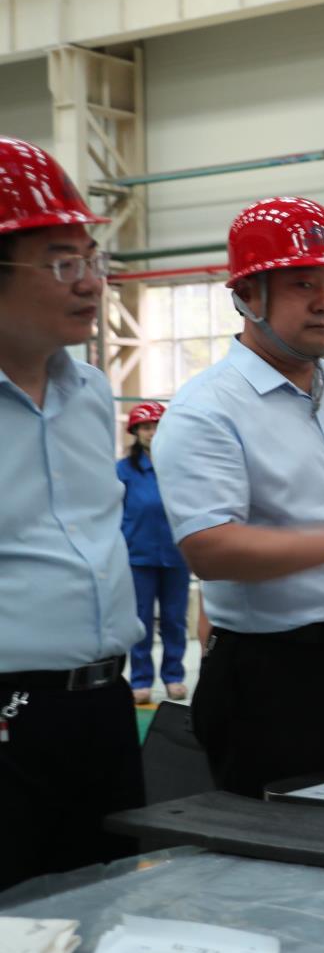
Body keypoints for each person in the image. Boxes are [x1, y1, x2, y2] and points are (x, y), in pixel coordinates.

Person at [153, 196, 324, 797]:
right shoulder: (207, 409)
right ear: (249, 295)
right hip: (277, 678)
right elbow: (210, 549)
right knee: (283, 850)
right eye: (303, 284)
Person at [0, 138, 146, 890]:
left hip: (104, 708)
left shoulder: (90, 393)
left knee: (108, 906)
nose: (91, 282)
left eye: (93, 258)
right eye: (62, 263)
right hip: (8, 712)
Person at [119, 401, 190, 705]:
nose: (152, 432)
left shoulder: (179, 467)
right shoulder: (123, 470)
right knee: (141, 621)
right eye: (146, 427)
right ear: (136, 432)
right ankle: (141, 680)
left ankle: (173, 676)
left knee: (175, 619)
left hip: (176, 555)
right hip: (138, 556)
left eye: (157, 426)